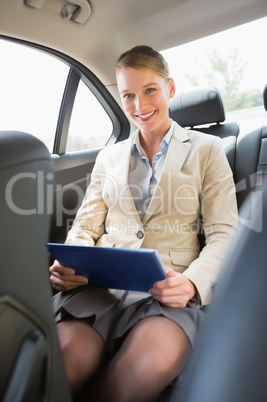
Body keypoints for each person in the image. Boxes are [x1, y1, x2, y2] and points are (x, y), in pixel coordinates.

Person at [49, 45, 238, 401]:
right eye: (128, 96)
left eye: (149, 90)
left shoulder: (208, 150)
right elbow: (86, 227)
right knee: (62, 369)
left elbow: (224, 234)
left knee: (132, 379)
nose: (139, 106)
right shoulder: (109, 156)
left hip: (169, 294)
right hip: (99, 289)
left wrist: (192, 284)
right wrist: (69, 262)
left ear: (170, 88)